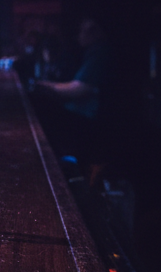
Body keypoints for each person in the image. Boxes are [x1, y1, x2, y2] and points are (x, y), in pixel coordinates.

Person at [34, 18, 108, 167]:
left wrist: (44, 86)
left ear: (96, 31)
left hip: (86, 117)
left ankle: (57, 167)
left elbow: (80, 89)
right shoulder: (92, 51)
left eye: (82, 31)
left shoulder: (99, 52)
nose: (79, 35)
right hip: (82, 115)